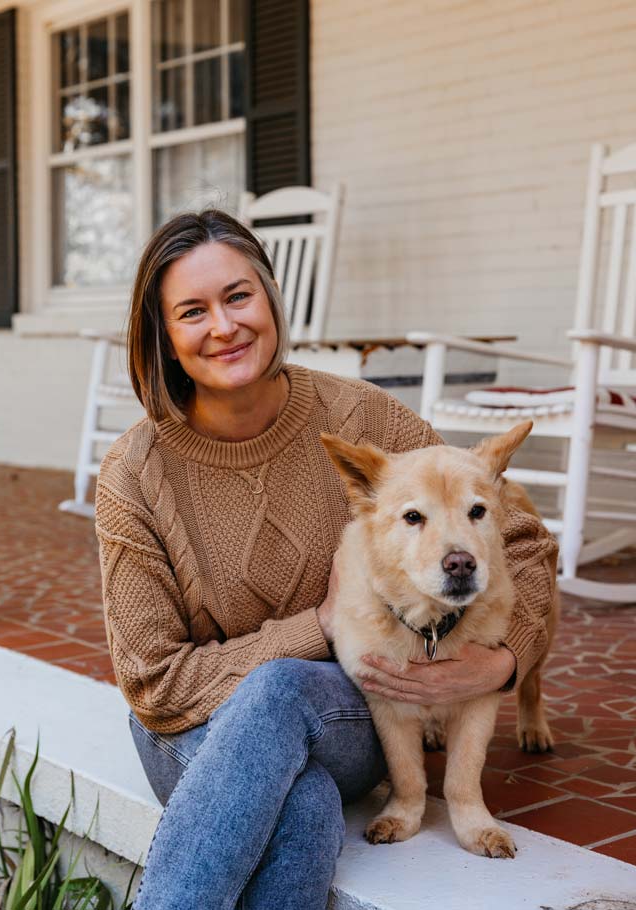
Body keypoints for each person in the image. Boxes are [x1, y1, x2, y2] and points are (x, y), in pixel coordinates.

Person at [95, 210, 558, 910]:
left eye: (239, 296)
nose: (223, 326)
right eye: (192, 311)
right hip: (189, 729)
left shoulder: (368, 421)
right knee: (305, 803)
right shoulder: (134, 476)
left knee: (285, 691)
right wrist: (319, 624)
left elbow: (520, 540)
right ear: (162, 336)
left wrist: (506, 660)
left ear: (272, 299)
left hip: (353, 711)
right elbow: (154, 682)